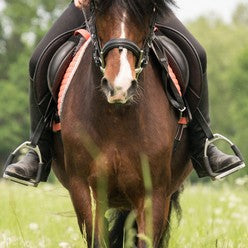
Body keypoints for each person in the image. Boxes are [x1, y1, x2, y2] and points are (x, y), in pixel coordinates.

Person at [3, 0, 245, 185]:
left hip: (140, 5)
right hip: (93, 4)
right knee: (38, 59)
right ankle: (39, 150)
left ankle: (203, 143)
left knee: (197, 53)